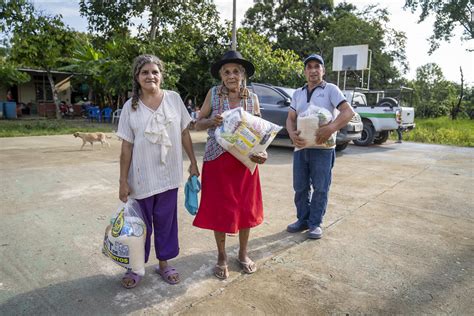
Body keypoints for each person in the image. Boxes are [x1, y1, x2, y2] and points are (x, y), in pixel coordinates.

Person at [116, 54, 200, 288]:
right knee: (139, 226)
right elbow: (126, 146)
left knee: (166, 222)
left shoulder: (173, 99)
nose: (150, 76)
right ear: (137, 77)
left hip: (168, 175)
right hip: (141, 177)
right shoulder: (130, 107)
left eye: (155, 72)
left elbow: (184, 132)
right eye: (145, 72)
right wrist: (123, 180)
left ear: (161, 75)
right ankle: (135, 266)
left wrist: (193, 161)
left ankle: (164, 263)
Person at [192, 50, 267, 279]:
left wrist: (262, 153)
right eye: (227, 72)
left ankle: (243, 254)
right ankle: (222, 255)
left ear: (243, 74)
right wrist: (210, 121)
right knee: (219, 210)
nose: (231, 75)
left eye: (236, 71)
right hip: (217, 160)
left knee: (246, 208)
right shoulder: (213, 94)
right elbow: (197, 124)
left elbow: (260, 131)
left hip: (245, 162)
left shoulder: (251, 98)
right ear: (221, 76)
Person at [286, 54, 355, 239]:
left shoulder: (331, 89)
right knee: (300, 187)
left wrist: (331, 128)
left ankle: (315, 223)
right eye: (309, 67)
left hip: (323, 150)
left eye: (317, 66)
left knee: (320, 187)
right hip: (301, 148)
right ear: (305, 71)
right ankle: (302, 219)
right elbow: (290, 118)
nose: (313, 70)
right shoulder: (298, 93)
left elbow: (348, 112)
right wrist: (292, 134)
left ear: (323, 71)